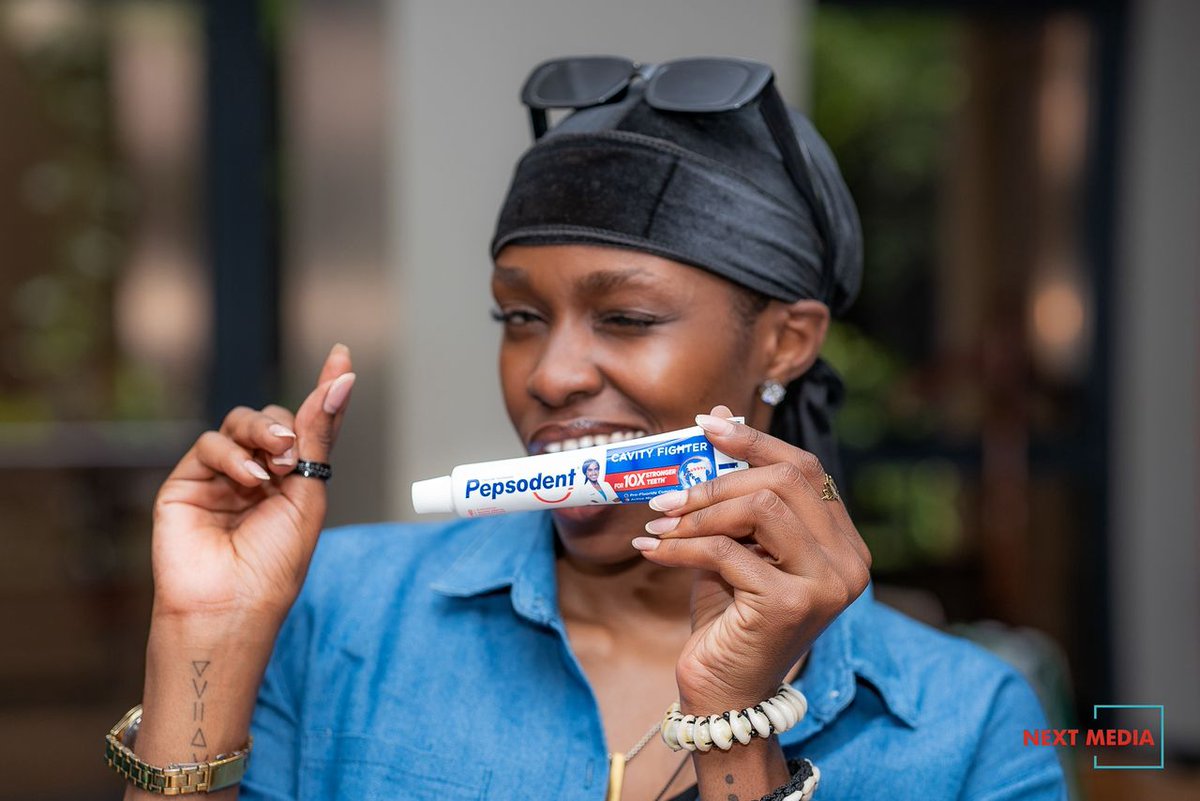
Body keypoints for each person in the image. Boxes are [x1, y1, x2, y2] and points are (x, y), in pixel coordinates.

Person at [114, 58, 1067, 800]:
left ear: (786, 342)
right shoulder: (337, 614)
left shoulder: (964, 723)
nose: (552, 374)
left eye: (627, 318)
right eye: (520, 318)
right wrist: (207, 636)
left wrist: (737, 722)